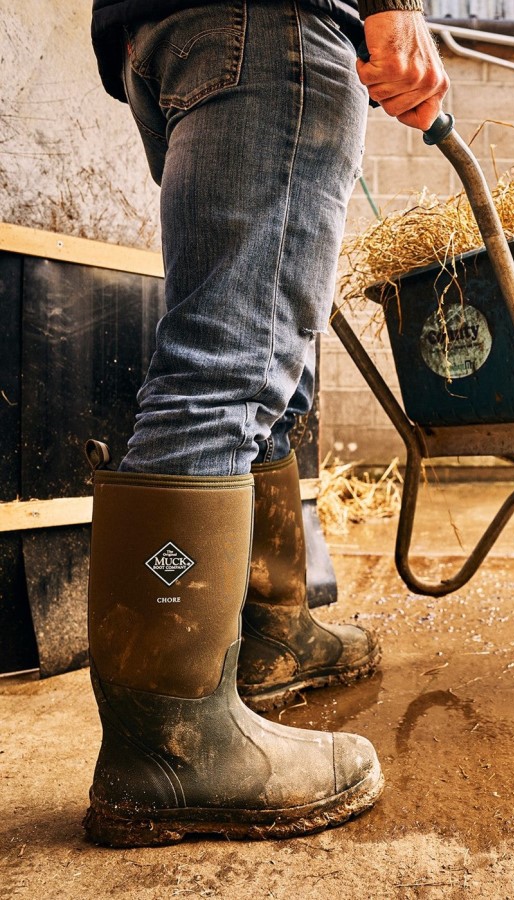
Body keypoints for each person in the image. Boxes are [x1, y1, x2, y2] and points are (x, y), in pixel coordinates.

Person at [84, 0, 449, 847]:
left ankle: (270, 632)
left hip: (167, 33)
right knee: (228, 365)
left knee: (263, 358)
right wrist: (395, 6)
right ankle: (169, 745)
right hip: (268, 20)